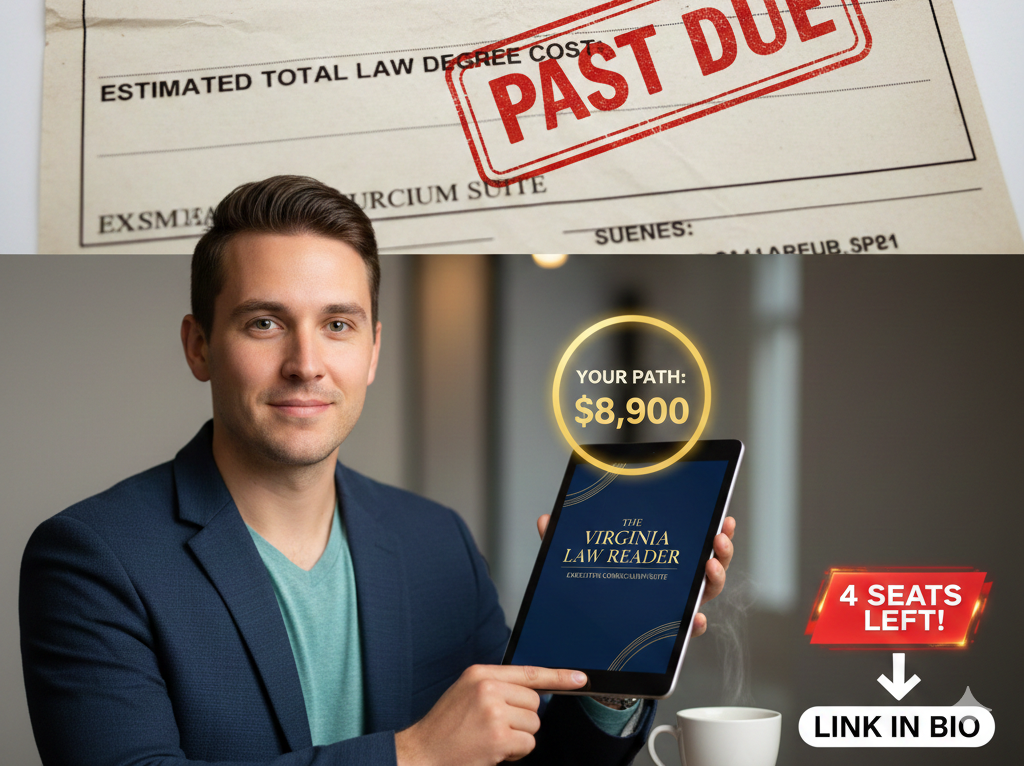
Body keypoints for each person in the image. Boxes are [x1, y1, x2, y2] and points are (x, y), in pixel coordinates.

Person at [20, 175, 736, 766]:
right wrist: (413, 755)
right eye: (264, 322)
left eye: (338, 324)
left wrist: (613, 654)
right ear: (199, 345)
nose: (306, 363)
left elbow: (533, 761)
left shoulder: (436, 541)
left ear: (371, 351)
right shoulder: (91, 558)